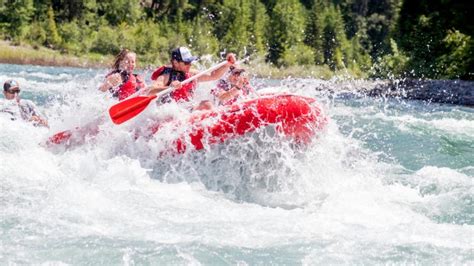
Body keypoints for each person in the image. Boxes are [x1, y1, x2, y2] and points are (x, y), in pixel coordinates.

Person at [148, 47, 236, 106]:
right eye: (186, 63)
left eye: (190, 62)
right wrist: (169, 87)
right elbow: (152, 90)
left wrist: (227, 64)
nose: (189, 65)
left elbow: (213, 76)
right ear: (175, 63)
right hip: (168, 113)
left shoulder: (191, 74)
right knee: (207, 105)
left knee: (207, 104)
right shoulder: (166, 76)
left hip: (185, 110)